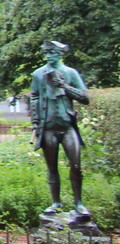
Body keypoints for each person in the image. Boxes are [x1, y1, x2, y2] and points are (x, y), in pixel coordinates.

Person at [30, 40, 91, 219]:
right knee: (52, 167)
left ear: (60, 54)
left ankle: (78, 203)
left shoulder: (70, 73)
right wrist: (35, 124)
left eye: (52, 52)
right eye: (46, 52)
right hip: (48, 128)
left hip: (67, 126)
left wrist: (64, 86)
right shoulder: (38, 74)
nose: (48, 55)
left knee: (76, 164)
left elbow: (85, 97)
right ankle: (56, 203)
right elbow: (34, 98)